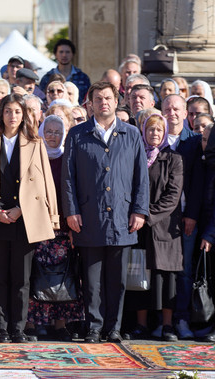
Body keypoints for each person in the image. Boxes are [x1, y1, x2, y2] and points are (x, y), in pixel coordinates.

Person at [0, 94, 59, 343]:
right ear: (0, 115)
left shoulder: (35, 142)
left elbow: (45, 182)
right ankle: (2, 328)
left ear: (24, 115)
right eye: (8, 111)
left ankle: (18, 328)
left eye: (17, 112)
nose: (13, 116)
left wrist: (36, 212)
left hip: (25, 219)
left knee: (21, 278)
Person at [62, 81, 149, 343]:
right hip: (89, 216)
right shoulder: (77, 135)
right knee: (91, 281)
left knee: (117, 280)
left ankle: (113, 328)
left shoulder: (131, 134)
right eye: (98, 99)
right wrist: (71, 211)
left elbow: (141, 178)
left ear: (116, 101)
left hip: (122, 217)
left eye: (108, 98)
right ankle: (94, 327)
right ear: (89, 104)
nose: (103, 103)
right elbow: (68, 178)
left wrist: (139, 211)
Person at [124, 114, 182, 342]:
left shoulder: (174, 158)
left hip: (164, 226)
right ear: (143, 132)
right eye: (150, 130)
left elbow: (173, 196)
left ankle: (167, 326)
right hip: (137, 226)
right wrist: (136, 215)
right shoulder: (136, 155)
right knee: (138, 273)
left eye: (159, 130)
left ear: (165, 132)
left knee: (166, 276)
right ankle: (141, 325)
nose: (154, 134)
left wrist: (147, 216)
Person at [26, 115, 83, 341]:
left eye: (57, 132)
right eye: (48, 131)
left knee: (63, 276)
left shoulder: (69, 157)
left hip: (63, 226)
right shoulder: (34, 157)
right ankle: (33, 324)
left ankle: (61, 325)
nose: (52, 136)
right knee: (37, 275)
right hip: (38, 224)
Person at [161, 94, 204, 339]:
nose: (172, 113)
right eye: (167, 109)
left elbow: (199, 183)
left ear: (185, 112)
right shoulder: (155, 137)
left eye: (176, 109)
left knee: (184, 271)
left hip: (187, 218)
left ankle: (182, 319)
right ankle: (162, 320)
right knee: (162, 270)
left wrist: (192, 215)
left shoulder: (195, 140)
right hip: (162, 219)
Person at [39, 39, 91, 104]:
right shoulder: (47, 77)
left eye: (67, 52)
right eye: (61, 52)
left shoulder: (83, 77)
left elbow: (88, 100)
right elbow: (42, 99)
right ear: (55, 54)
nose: (64, 55)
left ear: (72, 54)